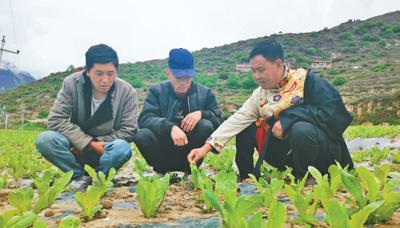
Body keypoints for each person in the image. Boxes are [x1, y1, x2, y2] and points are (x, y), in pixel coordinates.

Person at [188, 39, 354, 179]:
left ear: (278, 64)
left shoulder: (307, 81)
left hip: (322, 155)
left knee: (301, 129)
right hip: (285, 153)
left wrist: (288, 120)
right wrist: (205, 148)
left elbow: (335, 114)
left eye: (261, 70)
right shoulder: (260, 95)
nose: (256, 76)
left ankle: (305, 178)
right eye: (253, 71)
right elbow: (237, 119)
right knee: (247, 124)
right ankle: (247, 176)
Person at [35, 44, 137, 190]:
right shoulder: (71, 83)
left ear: (116, 71)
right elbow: (56, 120)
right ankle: (78, 176)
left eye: (110, 73)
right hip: (75, 148)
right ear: (87, 71)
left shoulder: (127, 92)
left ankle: (99, 177)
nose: (105, 80)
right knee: (45, 140)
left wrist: (95, 144)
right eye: (99, 73)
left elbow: (129, 130)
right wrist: (86, 143)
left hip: (105, 151)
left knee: (122, 148)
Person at [133, 48, 223, 174]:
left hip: (191, 150)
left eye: (187, 77)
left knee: (205, 125)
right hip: (163, 149)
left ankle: (191, 170)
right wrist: (170, 127)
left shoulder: (205, 93)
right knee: (141, 135)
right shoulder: (156, 91)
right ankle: (162, 171)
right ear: (168, 73)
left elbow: (220, 124)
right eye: (178, 77)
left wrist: (202, 113)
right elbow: (144, 119)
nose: (183, 82)